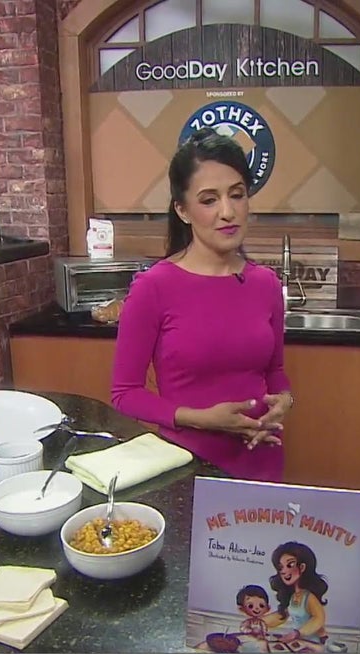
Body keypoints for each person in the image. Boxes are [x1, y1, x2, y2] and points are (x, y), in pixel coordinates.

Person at [111, 128, 293, 482]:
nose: (228, 211)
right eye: (209, 200)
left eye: (237, 195)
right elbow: (125, 394)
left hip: (261, 460)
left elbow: (275, 371)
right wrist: (201, 419)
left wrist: (285, 400)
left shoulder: (266, 284)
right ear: (182, 210)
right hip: (187, 467)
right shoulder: (154, 287)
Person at [264, 542, 329, 643]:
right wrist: (259, 622)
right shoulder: (293, 596)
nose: (284, 571)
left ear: (302, 567)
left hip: (312, 642)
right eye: (281, 567)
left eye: (290, 565)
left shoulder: (309, 597)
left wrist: (297, 633)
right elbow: (281, 616)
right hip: (299, 642)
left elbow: (319, 618)